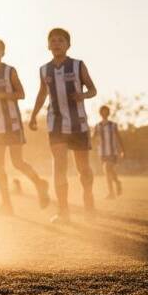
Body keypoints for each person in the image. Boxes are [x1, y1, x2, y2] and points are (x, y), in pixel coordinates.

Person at [0, 38, 49, 214]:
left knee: (17, 162)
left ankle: (40, 183)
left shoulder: (9, 71)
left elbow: (21, 94)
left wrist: (2, 94)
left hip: (12, 123)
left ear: (3, 52)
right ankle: (6, 204)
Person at [28, 28, 96, 223]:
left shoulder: (78, 65)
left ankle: (88, 199)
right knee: (59, 167)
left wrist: (82, 95)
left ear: (68, 45)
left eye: (61, 40)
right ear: (48, 45)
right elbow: (42, 94)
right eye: (53, 41)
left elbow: (93, 89)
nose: (57, 43)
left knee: (83, 168)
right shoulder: (44, 70)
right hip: (55, 124)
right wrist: (33, 115)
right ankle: (63, 211)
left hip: (78, 124)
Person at [93, 105, 124, 199]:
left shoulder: (113, 125)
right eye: (102, 111)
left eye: (106, 111)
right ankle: (118, 182)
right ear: (100, 113)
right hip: (102, 152)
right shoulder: (97, 126)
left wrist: (122, 150)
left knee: (107, 169)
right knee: (109, 171)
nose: (104, 113)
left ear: (108, 113)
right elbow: (93, 138)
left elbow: (119, 137)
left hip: (112, 151)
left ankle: (111, 193)